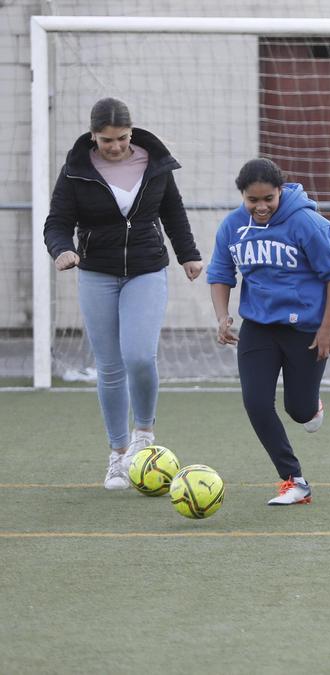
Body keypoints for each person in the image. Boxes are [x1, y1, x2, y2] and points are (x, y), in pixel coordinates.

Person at [42, 97, 204, 490]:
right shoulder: (76, 170)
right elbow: (57, 222)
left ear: (132, 133)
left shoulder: (155, 162)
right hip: (96, 272)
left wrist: (189, 255)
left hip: (147, 270)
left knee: (138, 355)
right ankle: (117, 456)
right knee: (110, 366)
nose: (114, 146)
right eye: (105, 140)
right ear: (92, 135)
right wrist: (62, 249)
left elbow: (173, 211)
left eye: (121, 138)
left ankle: (143, 436)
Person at [208, 158, 330, 506]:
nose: (260, 207)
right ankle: (293, 480)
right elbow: (221, 273)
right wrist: (223, 316)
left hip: (305, 329)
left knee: (299, 411)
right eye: (252, 200)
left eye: (268, 199)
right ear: (242, 196)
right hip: (258, 327)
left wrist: (327, 327)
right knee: (256, 402)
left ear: (280, 191)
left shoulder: (306, 223)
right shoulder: (232, 227)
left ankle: (311, 405)